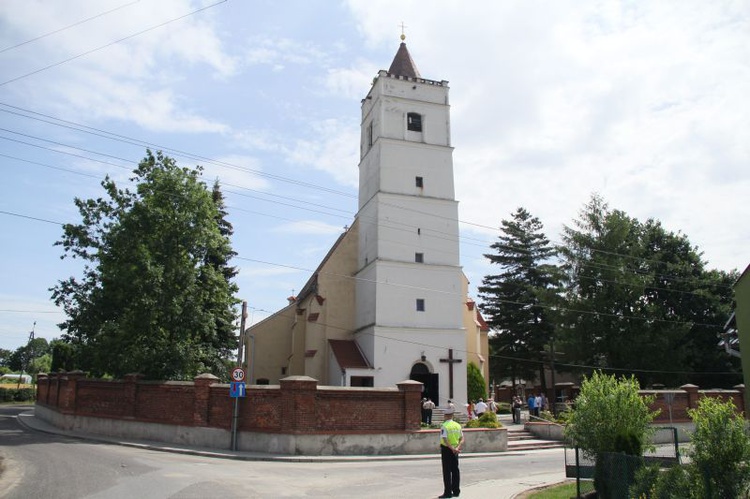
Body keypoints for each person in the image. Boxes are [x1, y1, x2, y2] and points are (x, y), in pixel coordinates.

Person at [439, 407, 464, 498]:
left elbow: (445, 440)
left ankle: (448, 493)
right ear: (452, 416)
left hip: (447, 449)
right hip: (456, 450)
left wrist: (452, 449)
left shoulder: (444, 426)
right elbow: (462, 438)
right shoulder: (457, 425)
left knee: (447, 471)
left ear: (446, 416)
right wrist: (457, 448)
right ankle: (456, 491)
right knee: (455, 470)